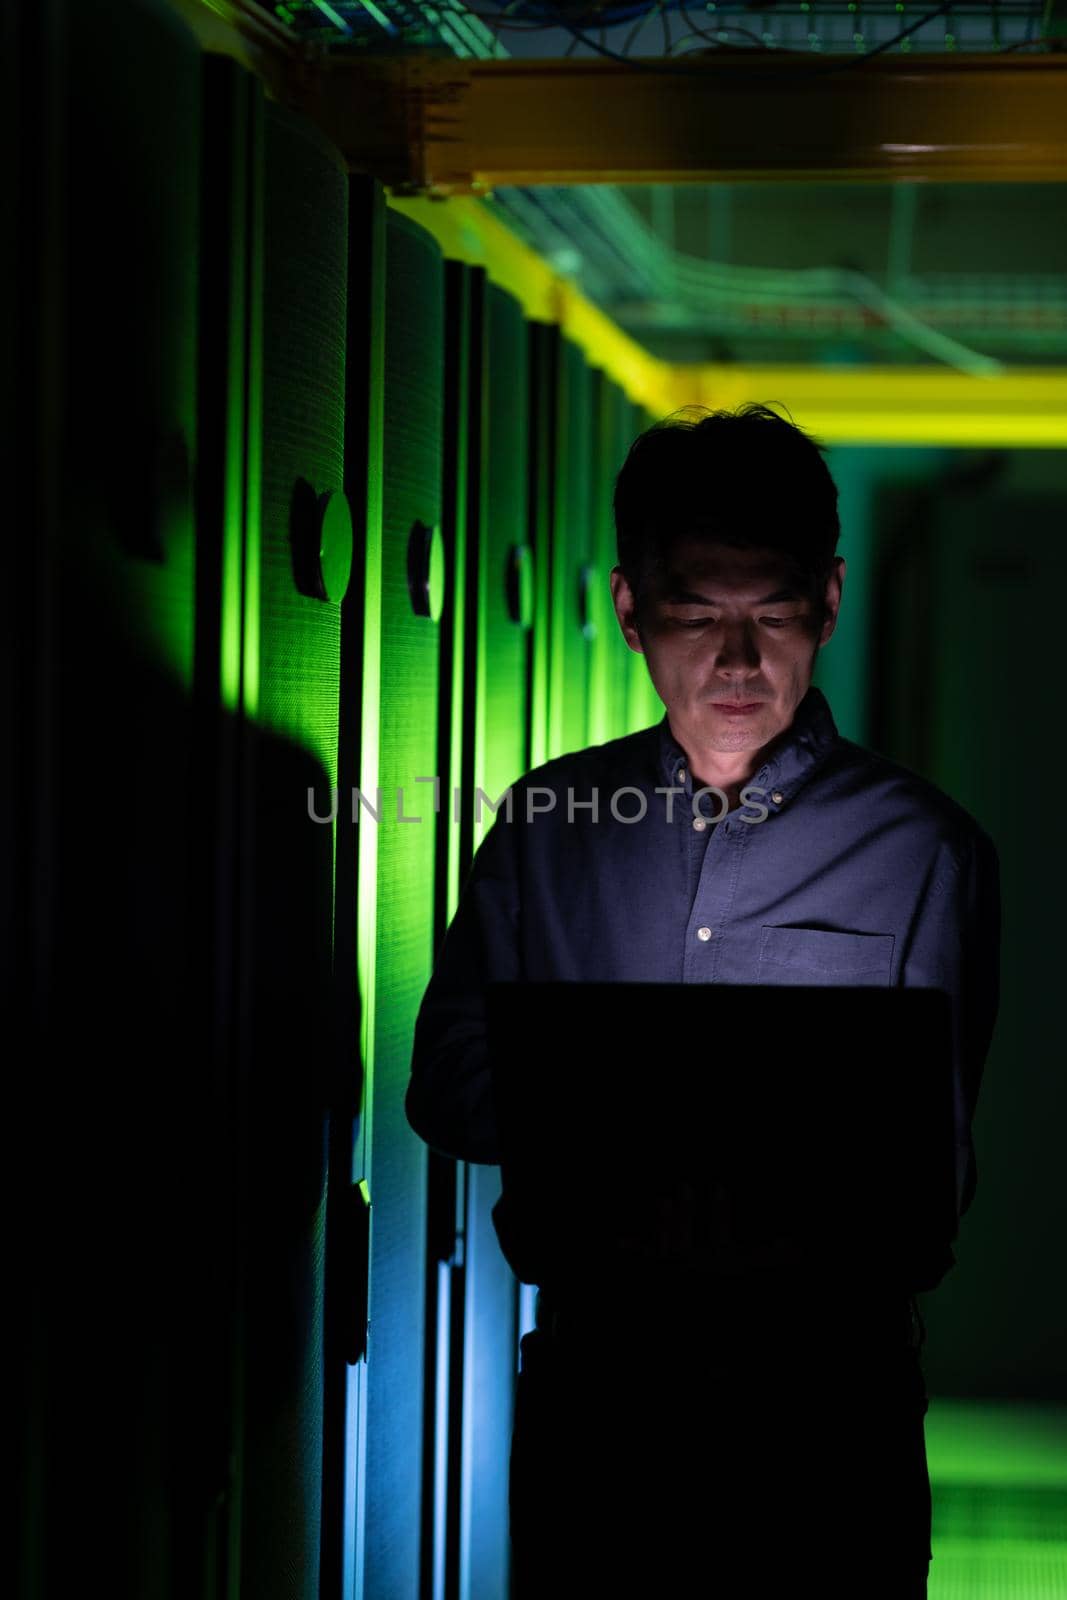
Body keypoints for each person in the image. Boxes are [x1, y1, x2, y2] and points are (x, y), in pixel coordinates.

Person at [405, 403, 1002, 1596]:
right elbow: (448, 1089)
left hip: (827, 1415)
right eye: (694, 613)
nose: (736, 663)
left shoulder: (925, 849)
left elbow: (924, 1179)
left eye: (771, 615)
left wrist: (634, 1112)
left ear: (827, 601)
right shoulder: (546, 824)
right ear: (630, 609)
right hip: (600, 1399)